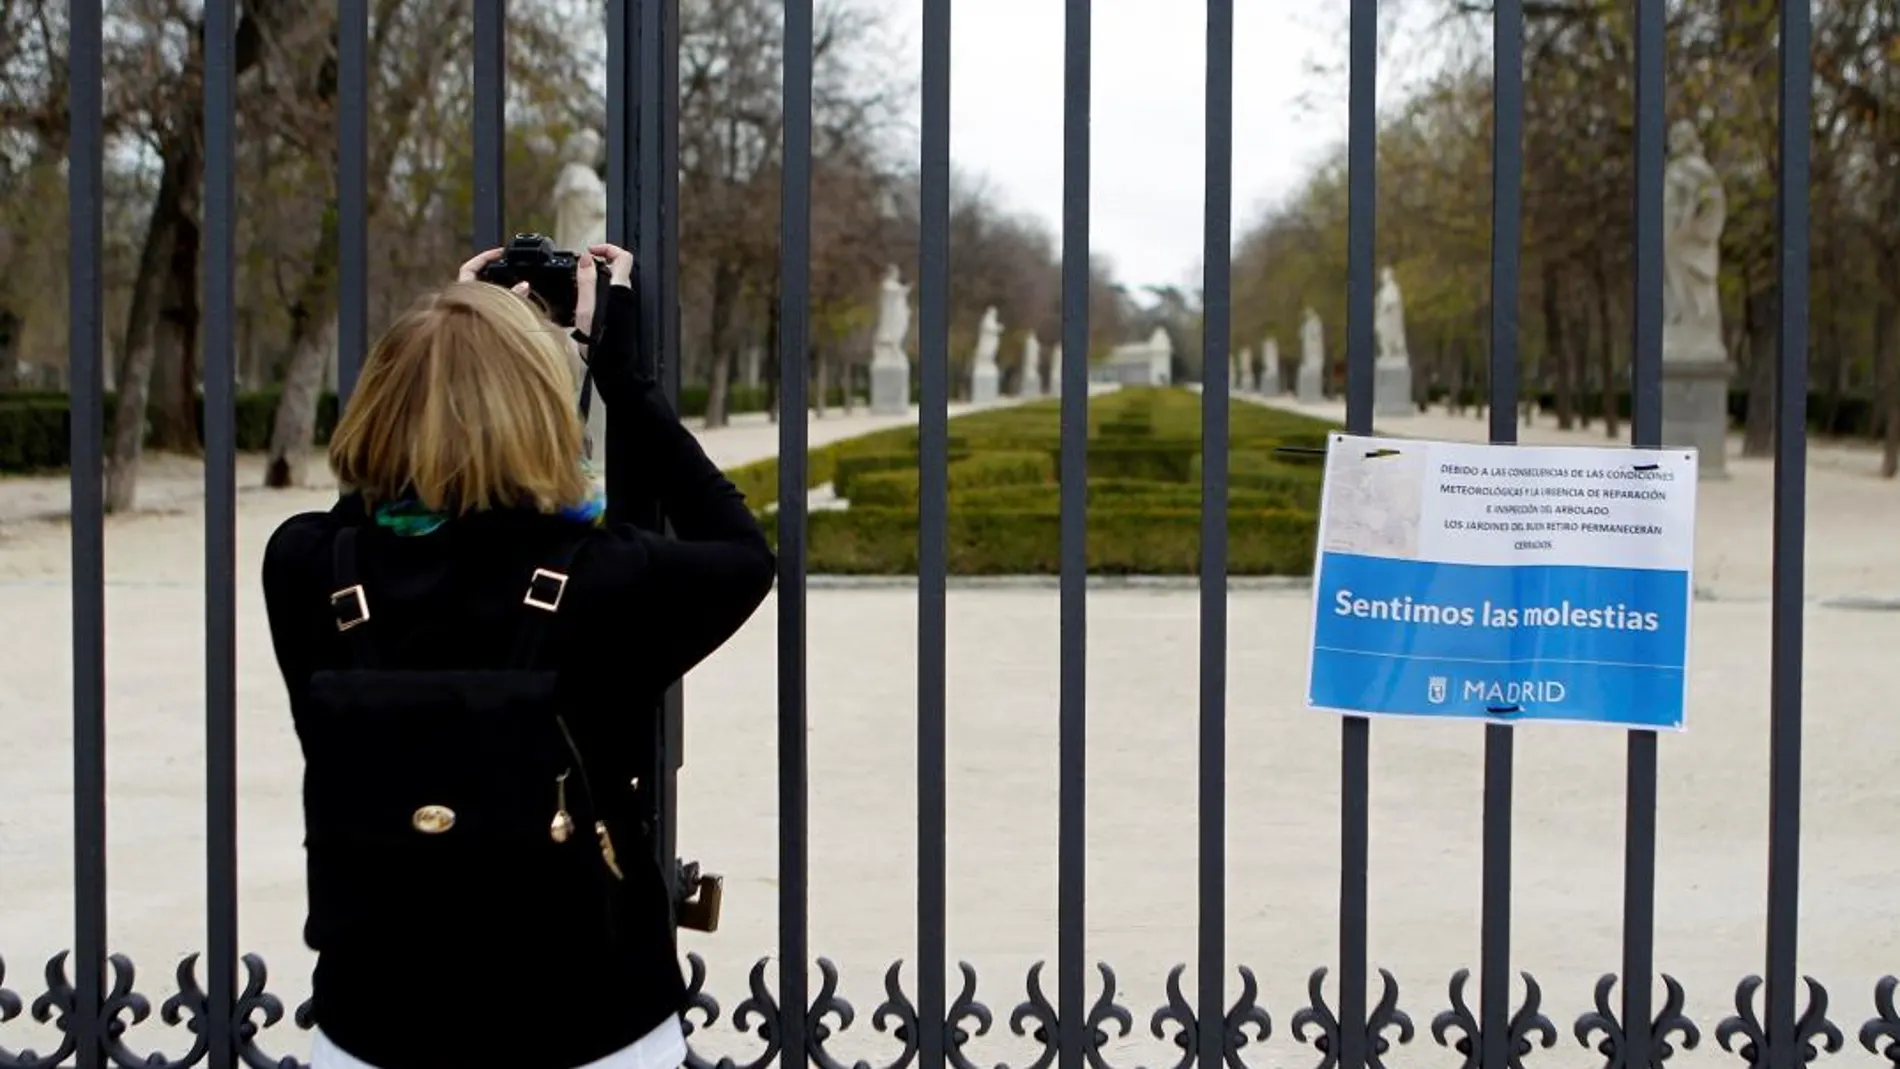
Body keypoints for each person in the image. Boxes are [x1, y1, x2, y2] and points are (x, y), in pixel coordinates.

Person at [262, 242, 775, 1069]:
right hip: (591, 1013)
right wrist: (624, 380)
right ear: (542, 407)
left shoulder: (309, 568)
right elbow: (744, 552)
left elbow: (361, 518)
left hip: (377, 1016)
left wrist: (444, 339)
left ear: (381, 401)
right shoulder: (608, 577)